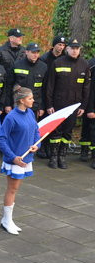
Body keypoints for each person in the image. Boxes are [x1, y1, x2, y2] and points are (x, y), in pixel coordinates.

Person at [0, 87, 40, 234]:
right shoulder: (11, 117)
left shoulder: (31, 113)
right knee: (12, 189)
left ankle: (8, 219)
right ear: (21, 100)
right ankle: (6, 220)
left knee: (16, 189)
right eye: (30, 98)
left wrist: (36, 145)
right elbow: (1, 140)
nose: (33, 100)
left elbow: (36, 132)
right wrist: (13, 158)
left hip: (26, 158)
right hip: (15, 160)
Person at [44, 39, 89, 169]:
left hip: (74, 105)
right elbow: (50, 86)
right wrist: (49, 104)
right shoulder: (58, 62)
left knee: (68, 131)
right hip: (58, 104)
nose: (75, 51)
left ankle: (62, 156)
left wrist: (83, 106)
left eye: (77, 48)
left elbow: (86, 88)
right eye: (72, 48)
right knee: (56, 131)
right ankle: (53, 156)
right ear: (67, 49)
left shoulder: (84, 65)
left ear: (79, 50)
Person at [11, 42, 48, 156]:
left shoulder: (43, 67)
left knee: (32, 129)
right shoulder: (17, 65)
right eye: (33, 52)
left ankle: (30, 150)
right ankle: (14, 148)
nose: (35, 55)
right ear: (26, 52)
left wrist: (42, 106)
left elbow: (44, 89)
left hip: (34, 104)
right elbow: (10, 84)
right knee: (18, 128)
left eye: (37, 52)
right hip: (19, 104)